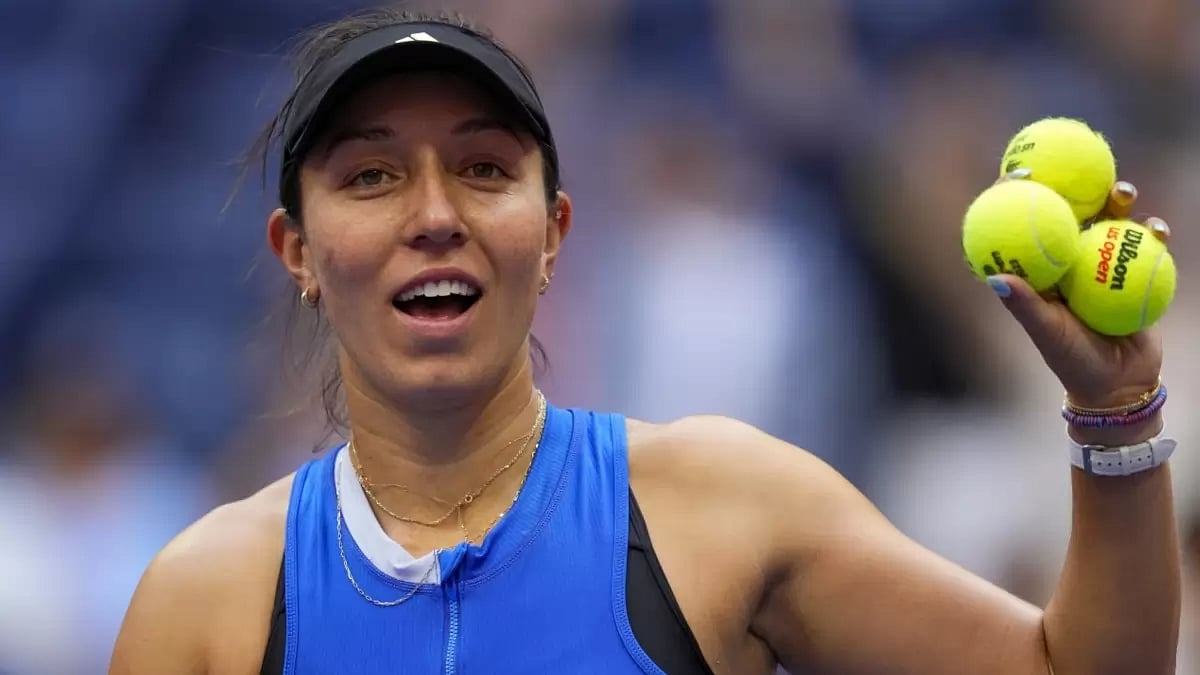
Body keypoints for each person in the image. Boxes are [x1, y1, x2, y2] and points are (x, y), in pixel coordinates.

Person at [109, 9, 1181, 674]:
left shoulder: (726, 506)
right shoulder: (208, 600)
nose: (434, 214)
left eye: (485, 168)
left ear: (555, 237)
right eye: (371, 175)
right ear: (296, 252)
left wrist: (1115, 418)